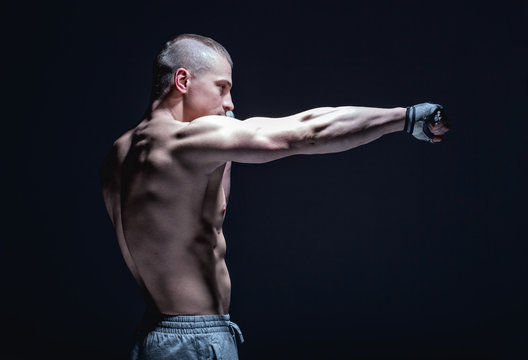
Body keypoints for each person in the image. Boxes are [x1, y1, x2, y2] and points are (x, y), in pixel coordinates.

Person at [100, 33, 450, 360]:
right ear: (183, 81)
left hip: (152, 337)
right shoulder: (188, 140)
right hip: (195, 342)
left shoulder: (120, 153)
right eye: (221, 88)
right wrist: (406, 118)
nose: (229, 103)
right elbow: (307, 131)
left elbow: (206, 215)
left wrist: (226, 147)